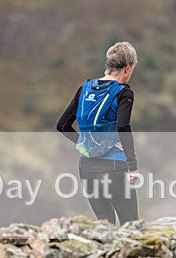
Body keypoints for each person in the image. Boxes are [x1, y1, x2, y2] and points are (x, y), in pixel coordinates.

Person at [56, 42, 140, 225]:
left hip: (86, 168)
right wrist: (132, 166)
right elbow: (123, 127)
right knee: (131, 225)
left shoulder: (85, 89)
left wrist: (87, 143)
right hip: (115, 168)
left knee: (105, 224)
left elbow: (62, 126)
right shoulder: (123, 93)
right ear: (127, 68)